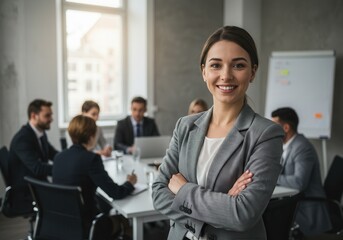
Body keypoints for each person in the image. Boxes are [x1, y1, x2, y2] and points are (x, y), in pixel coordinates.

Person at [152, 26, 284, 240]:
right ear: (204, 71)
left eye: (238, 65)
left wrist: (183, 191)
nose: (226, 75)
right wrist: (222, 204)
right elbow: (158, 193)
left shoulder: (266, 134)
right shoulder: (185, 126)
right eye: (216, 65)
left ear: (252, 72)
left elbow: (242, 214)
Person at [53, 115, 137, 238]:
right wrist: (130, 183)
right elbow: (115, 193)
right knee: (125, 221)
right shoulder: (91, 159)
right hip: (88, 225)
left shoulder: (58, 157)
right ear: (92, 136)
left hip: (60, 222)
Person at [271, 107, 331, 235]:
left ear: (286, 128)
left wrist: (272, 177)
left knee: (269, 217)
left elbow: (299, 182)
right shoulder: (286, 145)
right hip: (296, 201)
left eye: (274, 126)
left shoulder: (302, 147)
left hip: (307, 207)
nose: (270, 130)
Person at [8, 99, 59, 212]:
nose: (51, 119)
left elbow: (53, 154)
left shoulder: (40, 132)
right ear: (34, 115)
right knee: (68, 197)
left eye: (51, 115)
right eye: (47, 115)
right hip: (26, 191)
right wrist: (62, 168)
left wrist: (68, 160)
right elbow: (37, 168)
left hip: (37, 183)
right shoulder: (23, 139)